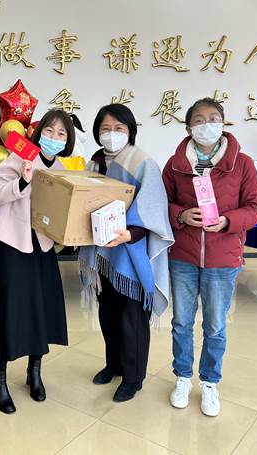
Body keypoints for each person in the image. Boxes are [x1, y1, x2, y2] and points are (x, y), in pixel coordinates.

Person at [162, 97, 257, 417]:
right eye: (199, 119)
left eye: (213, 118)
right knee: (181, 322)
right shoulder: (175, 164)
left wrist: (227, 221)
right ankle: (182, 377)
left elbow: (256, 207)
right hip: (183, 256)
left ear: (223, 123)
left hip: (223, 257)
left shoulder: (242, 163)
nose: (206, 125)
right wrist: (180, 215)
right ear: (188, 127)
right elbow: (159, 204)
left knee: (216, 325)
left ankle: (209, 382)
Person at [78, 104, 173, 402]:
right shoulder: (95, 163)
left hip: (131, 253)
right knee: (108, 311)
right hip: (102, 253)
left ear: (130, 131)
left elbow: (153, 209)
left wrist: (130, 234)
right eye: (105, 129)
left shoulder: (143, 163)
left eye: (119, 128)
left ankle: (133, 378)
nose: (112, 134)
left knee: (132, 317)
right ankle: (114, 364)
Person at [0, 109, 73, 414]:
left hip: (43, 247)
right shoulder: (21, 157)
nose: (54, 138)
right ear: (38, 132)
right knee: (7, 310)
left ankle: (34, 372)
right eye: (49, 131)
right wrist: (22, 182)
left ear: (67, 140)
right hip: (13, 243)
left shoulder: (62, 169)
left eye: (61, 133)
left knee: (41, 310)